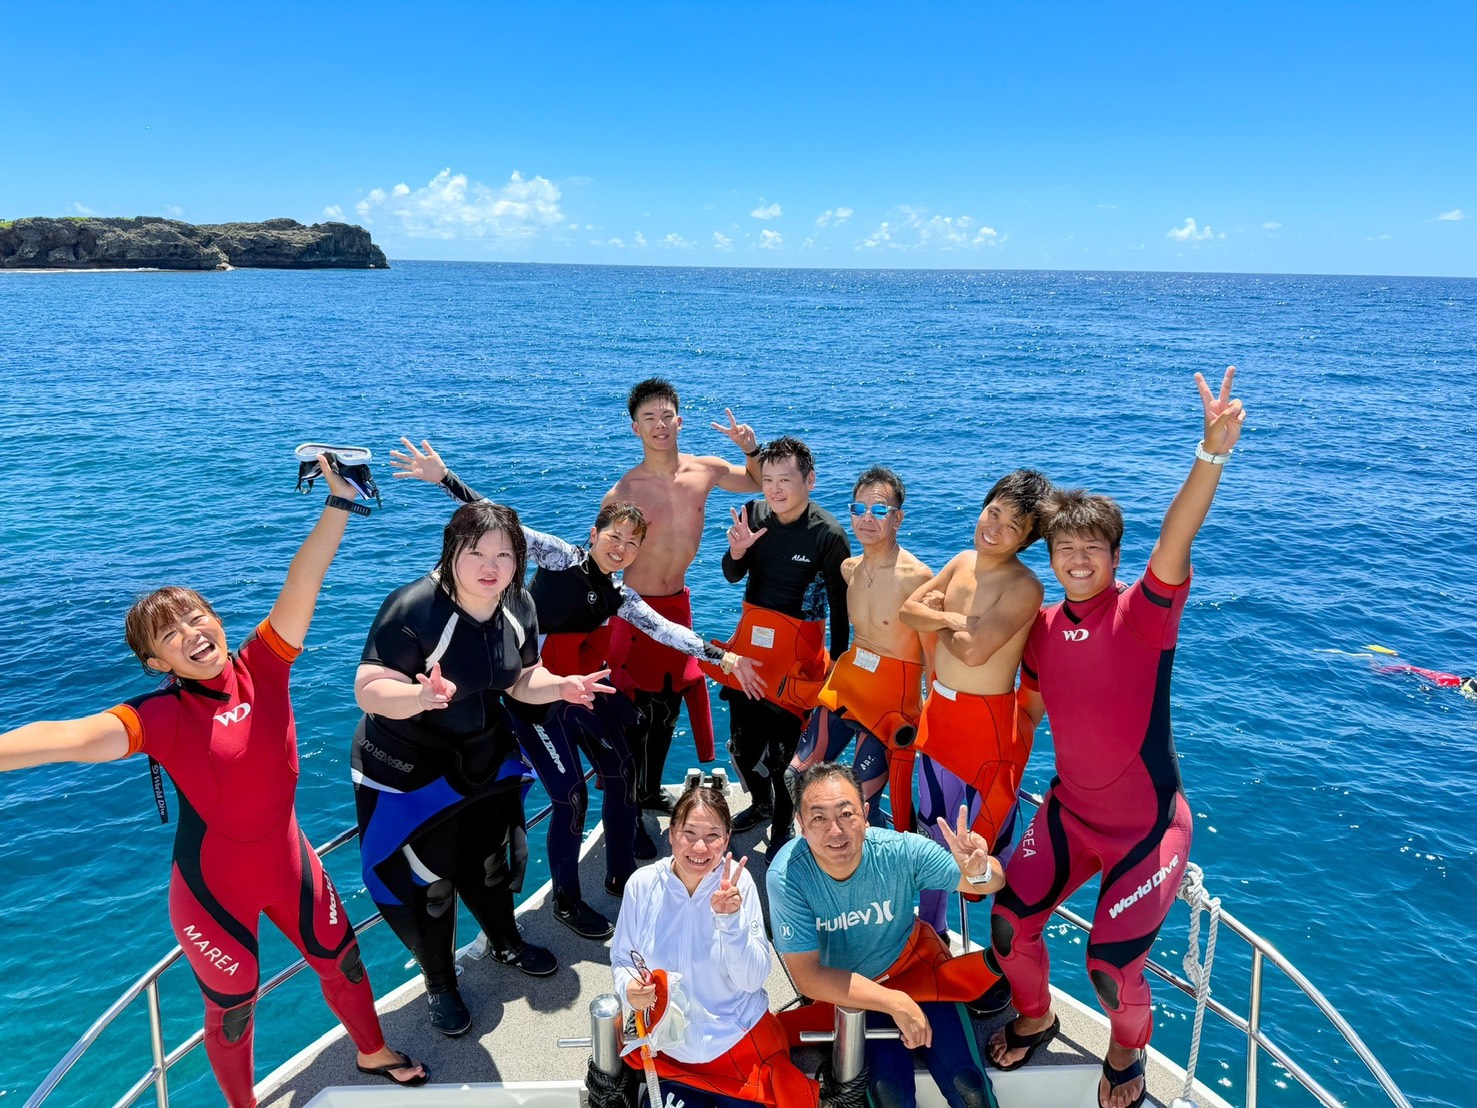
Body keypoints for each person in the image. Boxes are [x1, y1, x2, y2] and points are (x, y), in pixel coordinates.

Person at [0, 459, 427, 1106]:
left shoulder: (265, 665)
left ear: (216, 619)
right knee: (234, 1009)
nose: (191, 633)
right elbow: (66, 738)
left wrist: (339, 502)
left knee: (342, 958)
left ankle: (372, 1052)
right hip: (211, 890)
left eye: (196, 617)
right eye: (169, 634)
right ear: (156, 663)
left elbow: (304, 578)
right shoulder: (160, 718)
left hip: (288, 863)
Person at [987, 369, 1247, 1108]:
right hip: (1069, 813)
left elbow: (1176, 535)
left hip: (1146, 830)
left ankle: (1126, 1051)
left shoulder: (1141, 615)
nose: (1077, 558)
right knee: (1007, 926)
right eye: (1064, 547)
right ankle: (1034, 1016)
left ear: (1113, 557)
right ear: (1049, 557)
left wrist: (1211, 453)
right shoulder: (1041, 629)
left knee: (1109, 968)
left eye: (1092, 548)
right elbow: (1027, 711)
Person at [389, 438, 764, 942]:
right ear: (595, 534)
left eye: (632, 542)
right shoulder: (562, 558)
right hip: (535, 698)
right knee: (570, 796)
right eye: (614, 536)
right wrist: (443, 478)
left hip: (578, 691)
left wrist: (725, 657)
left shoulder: (621, 595)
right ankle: (566, 900)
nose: (621, 547)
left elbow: (667, 631)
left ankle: (620, 875)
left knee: (623, 770)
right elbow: (503, 526)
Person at [353, 498, 614, 1038]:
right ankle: (440, 983)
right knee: (431, 882)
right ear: (451, 551)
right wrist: (418, 697)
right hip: (413, 768)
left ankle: (505, 943)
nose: (490, 566)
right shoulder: (412, 608)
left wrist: (561, 686)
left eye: (504, 554)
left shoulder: (517, 603)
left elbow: (521, 679)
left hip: (483, 757)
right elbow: (369, 689)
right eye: (476, 553)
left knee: (491, 861)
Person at [769, 764, 1003, 1108]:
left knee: (968, 1085)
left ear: (865, 815)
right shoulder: (788, 876)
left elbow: (991, 881)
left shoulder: (899, 851)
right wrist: (895, 1003)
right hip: (853, 989)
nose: (835, 830)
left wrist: (980, 870)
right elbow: (808, 977)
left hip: (916, 968)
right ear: (800, 824)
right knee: (888, 1092)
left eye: (846, 813)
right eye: (818, 818)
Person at [899, 470, 1052, 938]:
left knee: (983, 845)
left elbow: (972, 652)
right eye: (994, 513)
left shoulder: (1024, 586)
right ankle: (930, 932)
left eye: (1012, 526)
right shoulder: (962, 560)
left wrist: (938, 616)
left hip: (985, 731)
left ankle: (1008, 951)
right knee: (934, 832)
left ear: (1027, 539)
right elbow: (908, 611)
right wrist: (956, 618)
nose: (995, 528)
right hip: (939, 718)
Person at [603, 378, 763, 813]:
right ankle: (627, 803)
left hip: (677, 603)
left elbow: (757, 482)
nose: (659, 424)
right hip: (633, 610)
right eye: (649, 418)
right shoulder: (624, 492)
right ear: (635, 428)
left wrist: (750, 448)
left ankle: (650, 790)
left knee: (669, 701)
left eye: (666, 415)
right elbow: (598, 561)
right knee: (634, 707)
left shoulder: (705, 470)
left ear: (680, 421)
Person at [610, 785, 819, 1107]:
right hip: (669, 1051)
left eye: (712, 836)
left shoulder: (739, 884)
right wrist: (629, 988)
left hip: (740, 1046)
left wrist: (730, 921)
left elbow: (752, 979)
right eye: (689, 833)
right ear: (671, 833)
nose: (700, 847)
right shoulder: (642, 884)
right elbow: (624, 958)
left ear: (727, 837)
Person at [715, 435, 850, 843]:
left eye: (785, 480)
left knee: (782, 759)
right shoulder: (754, 514)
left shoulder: (828, 534)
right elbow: (731, 575)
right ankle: (761, 805)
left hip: (797, 656)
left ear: (809, 481)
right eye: (768, 480)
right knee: (742, 747)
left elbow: (841, 610)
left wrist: (836, 671)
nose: (774, 489)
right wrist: (737, 552)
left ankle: (780, 828)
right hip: (750, 653)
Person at [785, 466, 935, 832]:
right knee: (796, 776)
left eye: (879, 509)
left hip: (889, 700)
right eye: (858, 508)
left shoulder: (917, 577)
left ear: (897, 518)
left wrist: (931, 711)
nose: (867, 517)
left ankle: (876, 854)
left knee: (858, 805)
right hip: (849, 684)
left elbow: (932, 654)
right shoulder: (849, 569)